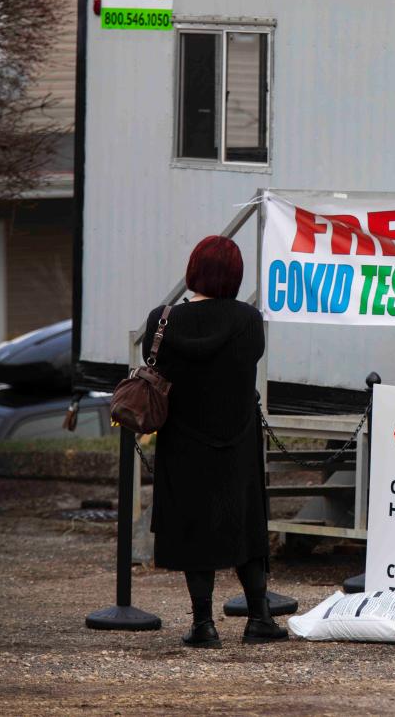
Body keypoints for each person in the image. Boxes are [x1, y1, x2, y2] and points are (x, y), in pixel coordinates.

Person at [141, 235, 287, 649]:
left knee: (193, 526)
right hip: (237, 437)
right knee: (246, 522)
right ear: (235, 276)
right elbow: (249, 363)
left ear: (193, 271)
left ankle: (203, 625)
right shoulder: (248, 320)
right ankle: (259, 618)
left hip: (183, 439)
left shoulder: (162, 319)